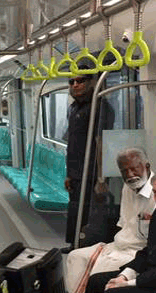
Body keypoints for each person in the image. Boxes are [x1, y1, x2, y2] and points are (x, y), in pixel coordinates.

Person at [64, 147, 156, 293]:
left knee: (97, 275)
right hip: (118, 246)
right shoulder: (127, 187)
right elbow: (123, 223)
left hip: (137, 253)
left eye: (134, 169)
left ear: (147, 167)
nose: (130, 175)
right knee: (75, 257)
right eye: (124, 171)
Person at [63, 69, 115, 252]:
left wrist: (101, 178)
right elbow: (72, 144)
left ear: (92, 82)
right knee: (76, 210)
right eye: (71, 82)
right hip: (76, 172)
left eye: (80, 80)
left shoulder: (100, 107)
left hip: (92, 172)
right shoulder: (74, 108)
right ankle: (75, 244)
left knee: (91, 214)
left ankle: (88, 248)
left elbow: (102, 143)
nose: (75, 84)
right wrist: (68, 174)